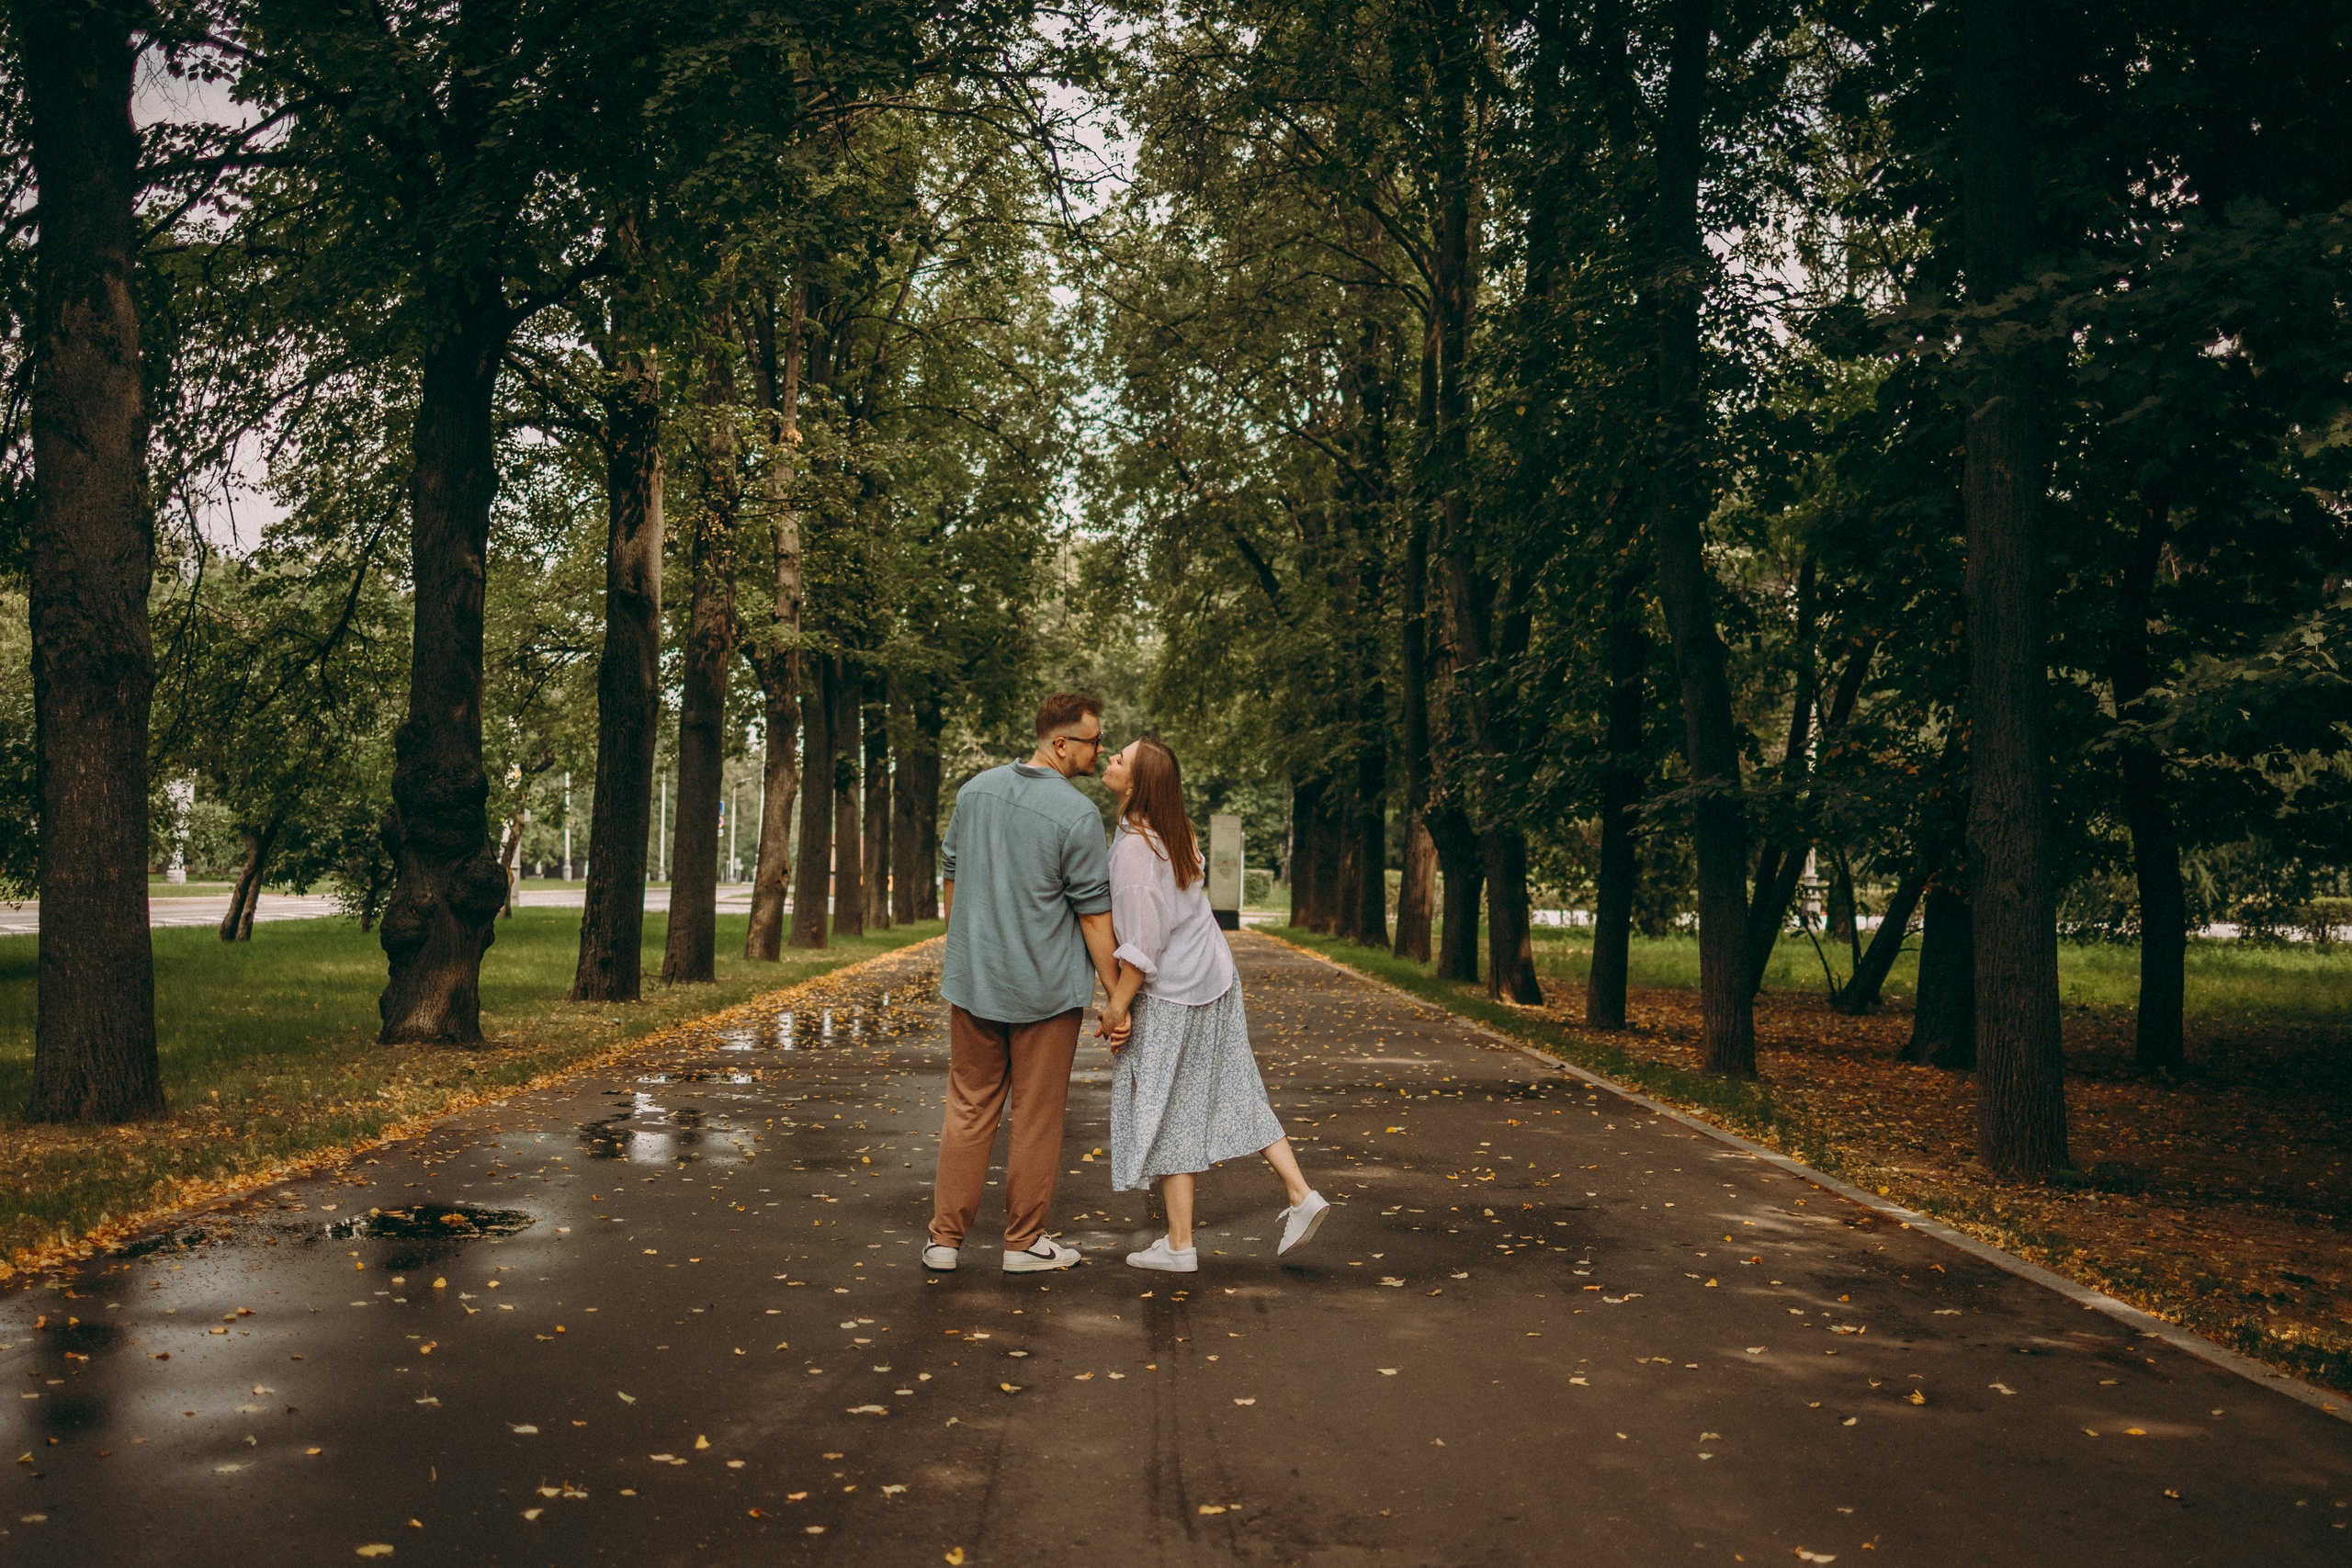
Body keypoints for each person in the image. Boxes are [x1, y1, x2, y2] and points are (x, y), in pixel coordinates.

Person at [1098, 736, 1328, 1272]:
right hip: (1213, 978)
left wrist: (1117, 1007)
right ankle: (1298, 1194)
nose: (1111, 758)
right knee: (1235, 1089)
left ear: (1137, 783)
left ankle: (1181, 1247)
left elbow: (1143, 943)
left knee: (1167, 1104)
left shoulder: (1136, 849)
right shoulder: (1171, 831)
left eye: (1121, 758)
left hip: (1174, 990)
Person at [923, 693, 1122, 1274]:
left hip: (975, 985)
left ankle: (944, 1242)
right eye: (1093, 741)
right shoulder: (1077, 814)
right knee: (1036, 1118)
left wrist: (964, 951)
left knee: (968, 1109)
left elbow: (952, 874)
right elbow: (1094, 916)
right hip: (1046, 993)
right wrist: (1117, 996)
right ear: (1061, 743)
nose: (1100, 750)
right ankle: (1023, 1244)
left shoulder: (974, 792)